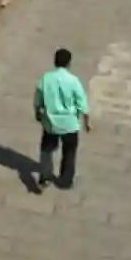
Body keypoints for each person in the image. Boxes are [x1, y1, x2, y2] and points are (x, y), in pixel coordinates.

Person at [33, 48, 90, 192]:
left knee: (46, 150)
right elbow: (82, 103)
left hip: (50, 122)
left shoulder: (45, 78)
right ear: (69, 63)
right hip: (69, 123)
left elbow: (38, 100)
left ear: (54, 61)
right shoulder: (73, 81)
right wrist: (87, 123)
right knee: (69, 151)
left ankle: (45, 177)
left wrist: (38, 113)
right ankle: (65, 180)